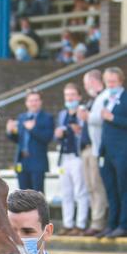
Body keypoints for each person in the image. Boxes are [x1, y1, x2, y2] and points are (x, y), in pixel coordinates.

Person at [54, 84, 89, 235]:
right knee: (66, 192)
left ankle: (80, 224)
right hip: (64, 157)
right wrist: (58, 135)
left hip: (78, 156)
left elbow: (87, 135)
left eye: (73, 95)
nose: (70, 98)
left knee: (80, 191)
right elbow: (57, 136)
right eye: (67, 95)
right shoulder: (62, 114)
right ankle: (68, 224)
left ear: (79, 97)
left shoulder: (83, 113)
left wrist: (78, 131)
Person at [78, 69, 108, 235]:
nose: (85, 86)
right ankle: (95, 220)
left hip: (96, 149)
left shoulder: (103, 97)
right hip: (85, 149)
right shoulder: (91, 100)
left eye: (87, 83)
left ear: (94, 81)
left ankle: (98, 222)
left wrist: (87, 117)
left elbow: (102, 120)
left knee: (97, 186)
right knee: (90, 186)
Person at [6, 90, 54, 192]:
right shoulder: (22, 117)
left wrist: (32, 129)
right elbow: (19, 139)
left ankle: (38, 209)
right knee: (23, 195)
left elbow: (47, 138)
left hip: (37, 162)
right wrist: (10, 132)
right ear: (26, 103)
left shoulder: (47, 118)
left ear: (41, 102)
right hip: (22, 161)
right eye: (31, 101)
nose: (33, 103)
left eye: (36, 100)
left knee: (37, 195)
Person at [98, 67, 127, 238]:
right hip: (107, 153)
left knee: (123, 189)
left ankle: (123, 225)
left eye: (113, 82)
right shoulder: (107, 99)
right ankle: (112, 223)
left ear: (121, 81)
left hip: (122, 152)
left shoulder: (125, 98)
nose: (110, 85)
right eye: (108, 82)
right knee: (110, 189)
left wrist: (113, 118)